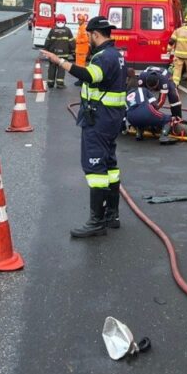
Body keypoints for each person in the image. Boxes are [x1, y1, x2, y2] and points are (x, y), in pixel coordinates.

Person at [41, 16, 127, 238]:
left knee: (95, 167)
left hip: (100, 119)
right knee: (110, 165)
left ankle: (97, 221)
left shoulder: (104, 57)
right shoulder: (116, 55)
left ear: (95, 35)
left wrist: (59, 61)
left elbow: (89, 76)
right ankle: (112, 215)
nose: (87, 39)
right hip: (112, 118)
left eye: (89, 35)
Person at [43, 14, 74, 88]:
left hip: (53, 54)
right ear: (65, 21)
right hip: (63, 54)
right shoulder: (67, 30)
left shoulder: (52, 30)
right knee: (61, 69)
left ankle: (50, 83)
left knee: (52, 68)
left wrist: (46, 49)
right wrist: (73, 51)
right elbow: (71, 42)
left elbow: (48, 41)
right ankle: (60, 84)